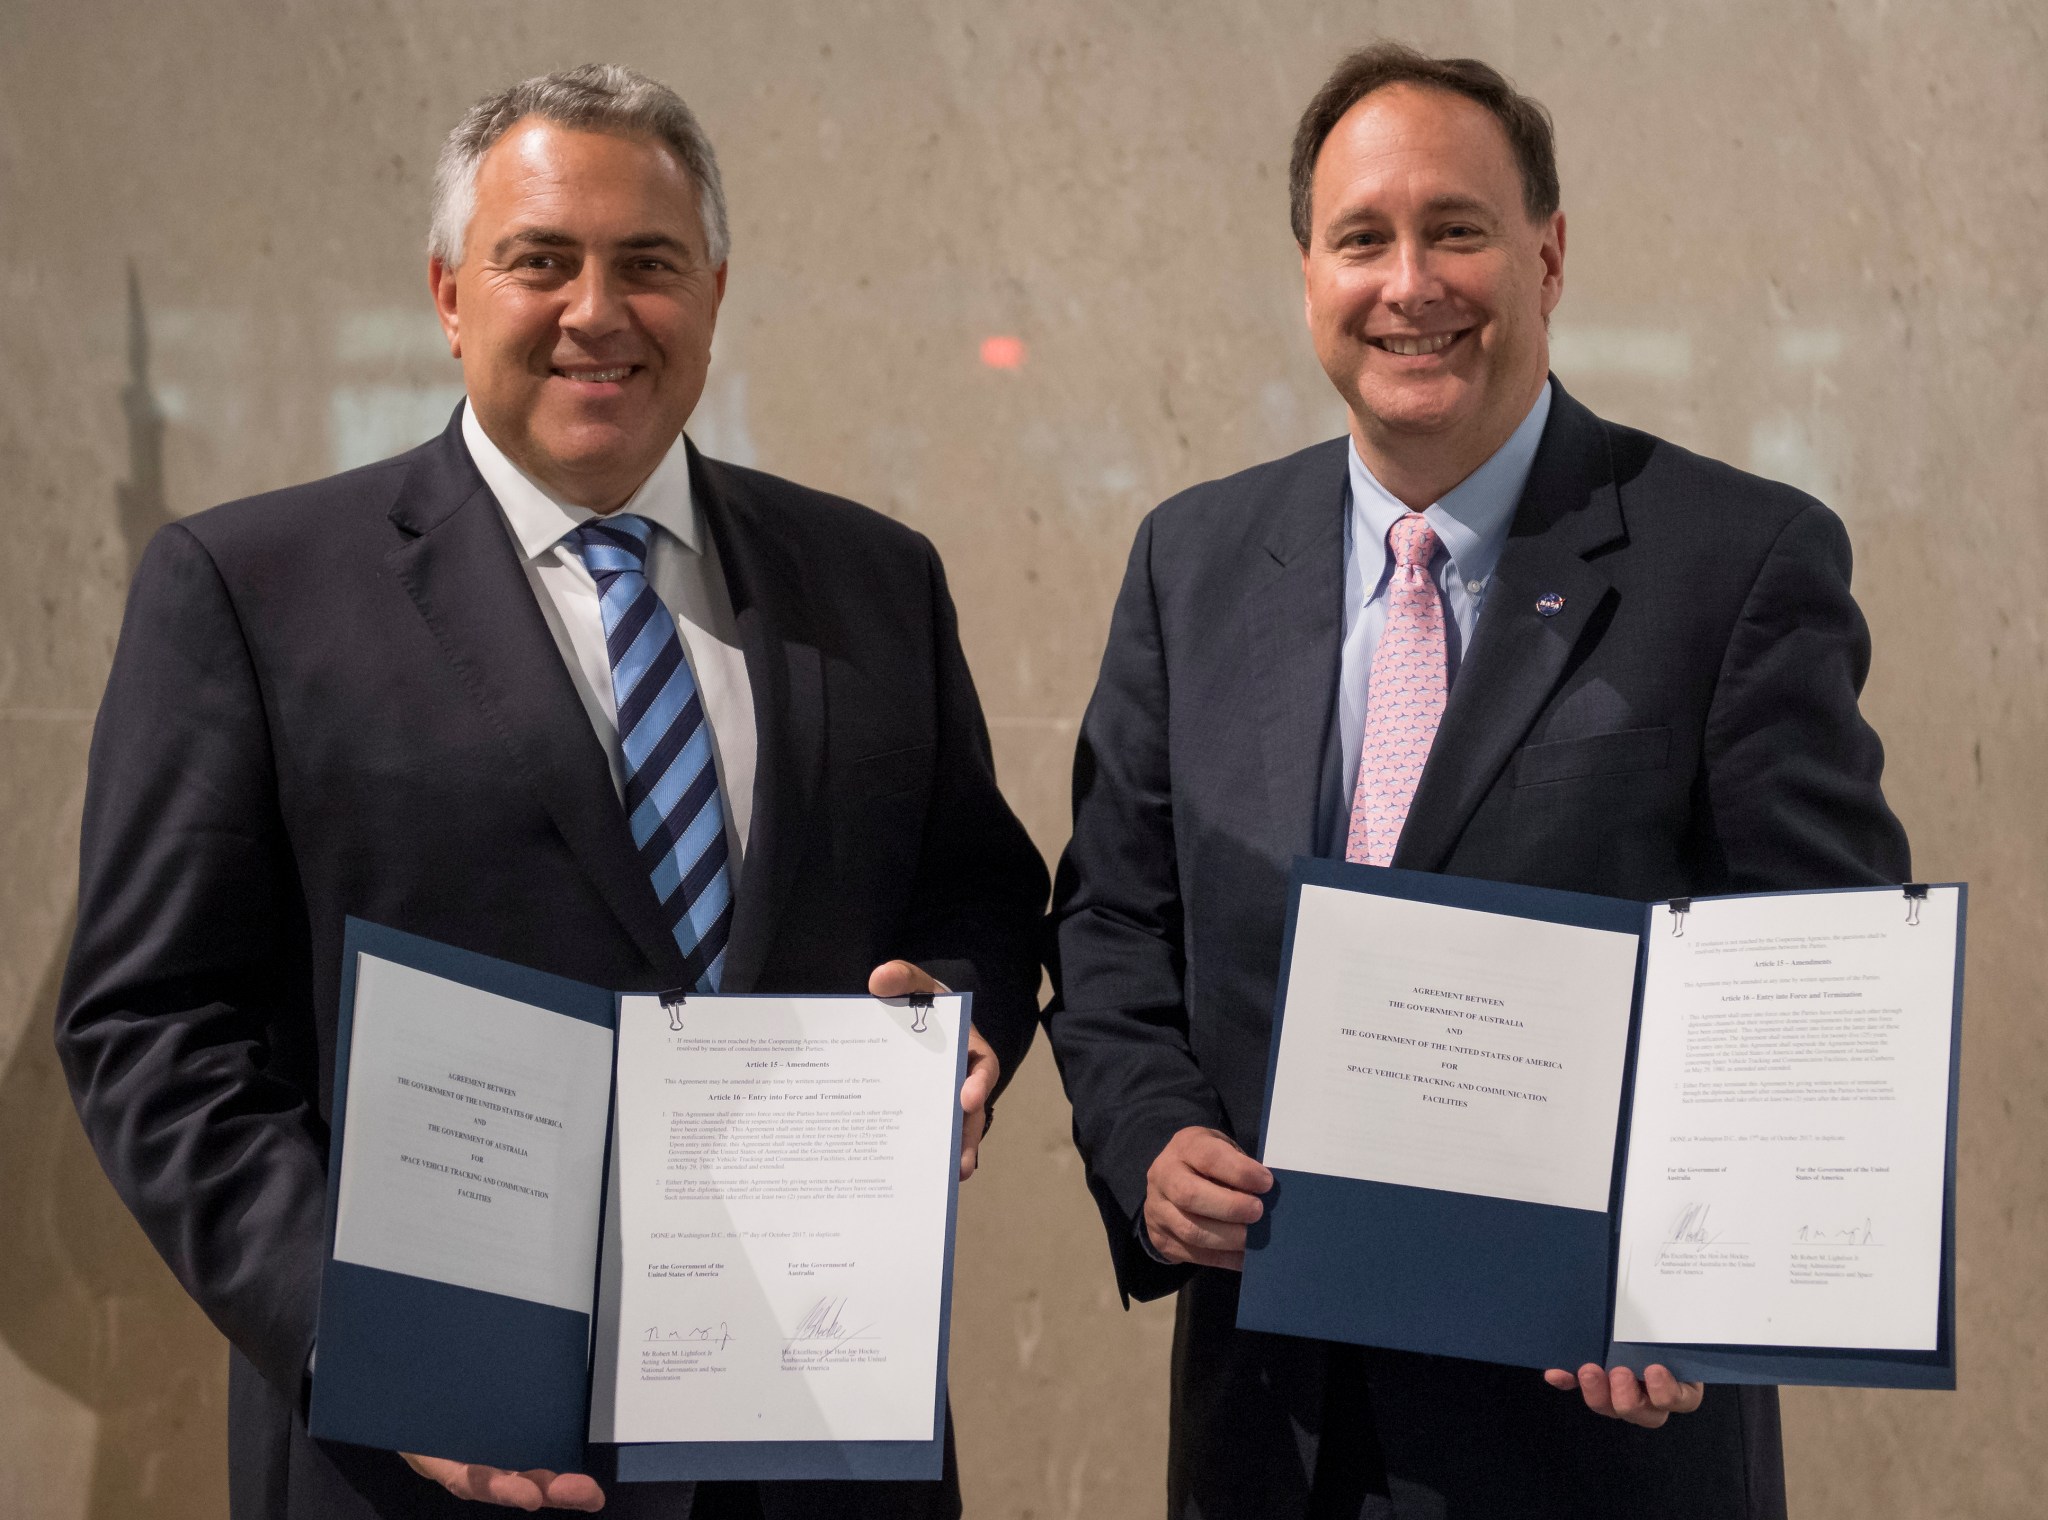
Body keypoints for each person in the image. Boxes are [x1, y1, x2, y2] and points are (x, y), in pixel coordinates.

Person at [56, 64, 1046, 1520]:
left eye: (648, 265)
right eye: (541, 262)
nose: (598, 311)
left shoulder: (876, 581)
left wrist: (955, 1020)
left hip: (815, 1438)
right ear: (453, 295)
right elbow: (151, 1027)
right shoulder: (250, 592)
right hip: (427, 1459)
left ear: (712, 292)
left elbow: (975, 893)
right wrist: (370, 1338)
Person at [1046, 40, 1909, 1520]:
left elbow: (1818, 974)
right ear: (1308, 273)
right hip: (1272, 1434)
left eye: (1456, 229)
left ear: (1549, 253)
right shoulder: (1193, 562)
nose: (1410, 283)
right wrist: (1150, 1139)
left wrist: (1707, 1279)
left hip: (1597, 1441)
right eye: (1360, 238)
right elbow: (1116, 925)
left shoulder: (1736, 560)